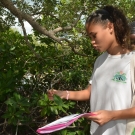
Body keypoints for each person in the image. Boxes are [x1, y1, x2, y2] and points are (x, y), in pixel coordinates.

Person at [47, 5, 135, 135]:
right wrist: (62, 94)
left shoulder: (131, 60)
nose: (92, 42)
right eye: (90, 37)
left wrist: (111, 115)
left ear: (110, 27)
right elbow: (89, 92)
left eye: (94, 36)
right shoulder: (99, 61)